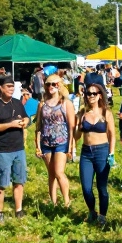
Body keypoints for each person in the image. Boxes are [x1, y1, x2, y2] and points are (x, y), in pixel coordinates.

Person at [0, 75, 31, 222]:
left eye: (12, 87)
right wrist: (10, 124)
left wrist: (25, 121)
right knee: (2, 183)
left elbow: (27, 118)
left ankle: (19, 210)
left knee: (19, 181)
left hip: (19, 149)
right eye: (8, 87)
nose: (11, 89)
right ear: (0, 88)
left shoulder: (17, 103)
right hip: (2, 150)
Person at [75, 82, 116, 224]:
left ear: (99, 96)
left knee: (101, 187)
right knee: (86, 187)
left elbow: (112, 135)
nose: (91, 96)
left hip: (102, 151)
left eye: (94, 93)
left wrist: (111, 153)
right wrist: (78, 126)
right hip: (86, 152)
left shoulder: (106, 113)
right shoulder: (82, 113)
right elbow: (76, 136)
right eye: (88, 93)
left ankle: (102, 216)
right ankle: (92, 211)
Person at [35, 73, 76, 207]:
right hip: (46, 142)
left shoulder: (66, 103)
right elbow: (38, 126)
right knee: (51, 174)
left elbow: (71, 127)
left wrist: (71, 146)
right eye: (48, 84)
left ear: (59, 86)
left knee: (59, 172)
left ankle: (66, 201)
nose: (51, 87)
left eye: (54, 84)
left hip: (62, 142)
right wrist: (37, 145)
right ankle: (53, 202)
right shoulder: (42, 104)